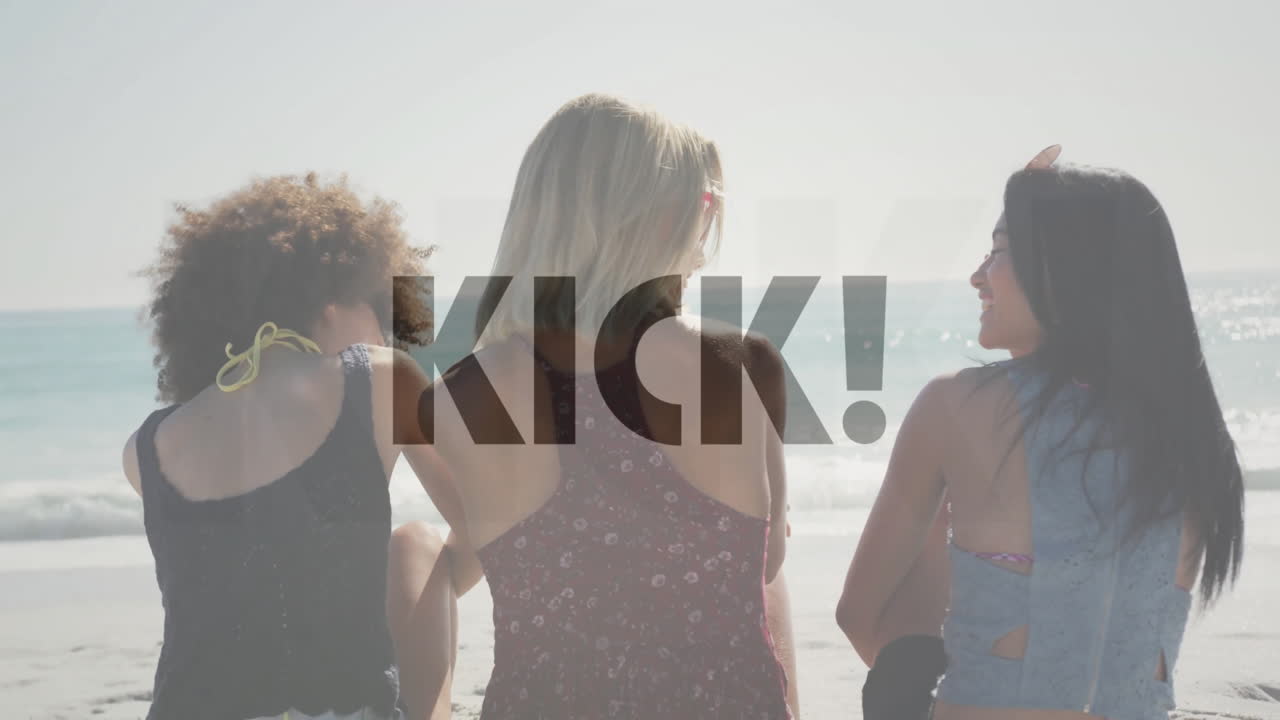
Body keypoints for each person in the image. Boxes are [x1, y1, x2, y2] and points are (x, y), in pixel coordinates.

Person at [393, 93, 797, 718]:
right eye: (703, 207)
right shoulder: (736, 363)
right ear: (660, 220)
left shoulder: (460, 394)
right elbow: (765, 561)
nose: (704, 236)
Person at [836, 147, 1246, 720]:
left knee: (900, 669)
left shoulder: (958, 407)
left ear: (1063, 269)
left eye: (1001, 251)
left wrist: (943, 528)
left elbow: (863, 618)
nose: (978, 275)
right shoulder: (1190, 431)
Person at [123, 173, 468, 720]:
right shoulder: (379, 379)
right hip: (336, 709)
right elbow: (483, 528)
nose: (388, 336)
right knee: (419, 544)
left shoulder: (147, 445)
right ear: (333, 304)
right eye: (382, 312)